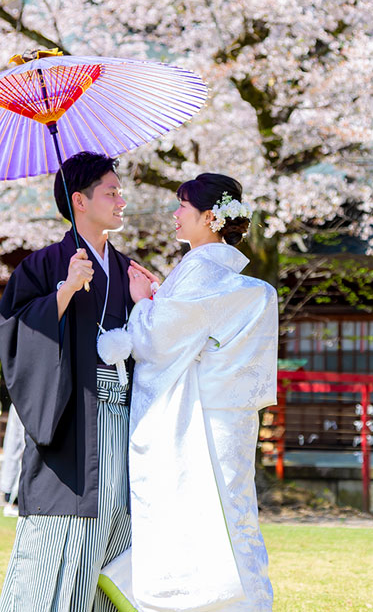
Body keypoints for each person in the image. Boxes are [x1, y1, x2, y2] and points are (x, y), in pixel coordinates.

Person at [100, 173, 278, 612]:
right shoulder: (215, 274)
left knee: (200, 505)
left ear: (210, 218)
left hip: (198, 416)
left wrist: (143, 301)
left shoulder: (202, 273)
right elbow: (187, 325)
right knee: (226, 509)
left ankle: (200, 600)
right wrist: (164, 299)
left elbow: (157, 341)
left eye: (183, 207)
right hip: (226, 414)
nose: (175, 214)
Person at [0, 151, 135, 612]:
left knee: (118, 531)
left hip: (125, 422)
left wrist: (147, 305)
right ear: (80, 200)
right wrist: (65, 289)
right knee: (68, 536)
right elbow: (13, 332)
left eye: (120, 190)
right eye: (111, 192)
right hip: (73, 428)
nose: (121, 199)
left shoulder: (126, 269)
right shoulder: (43, 267)